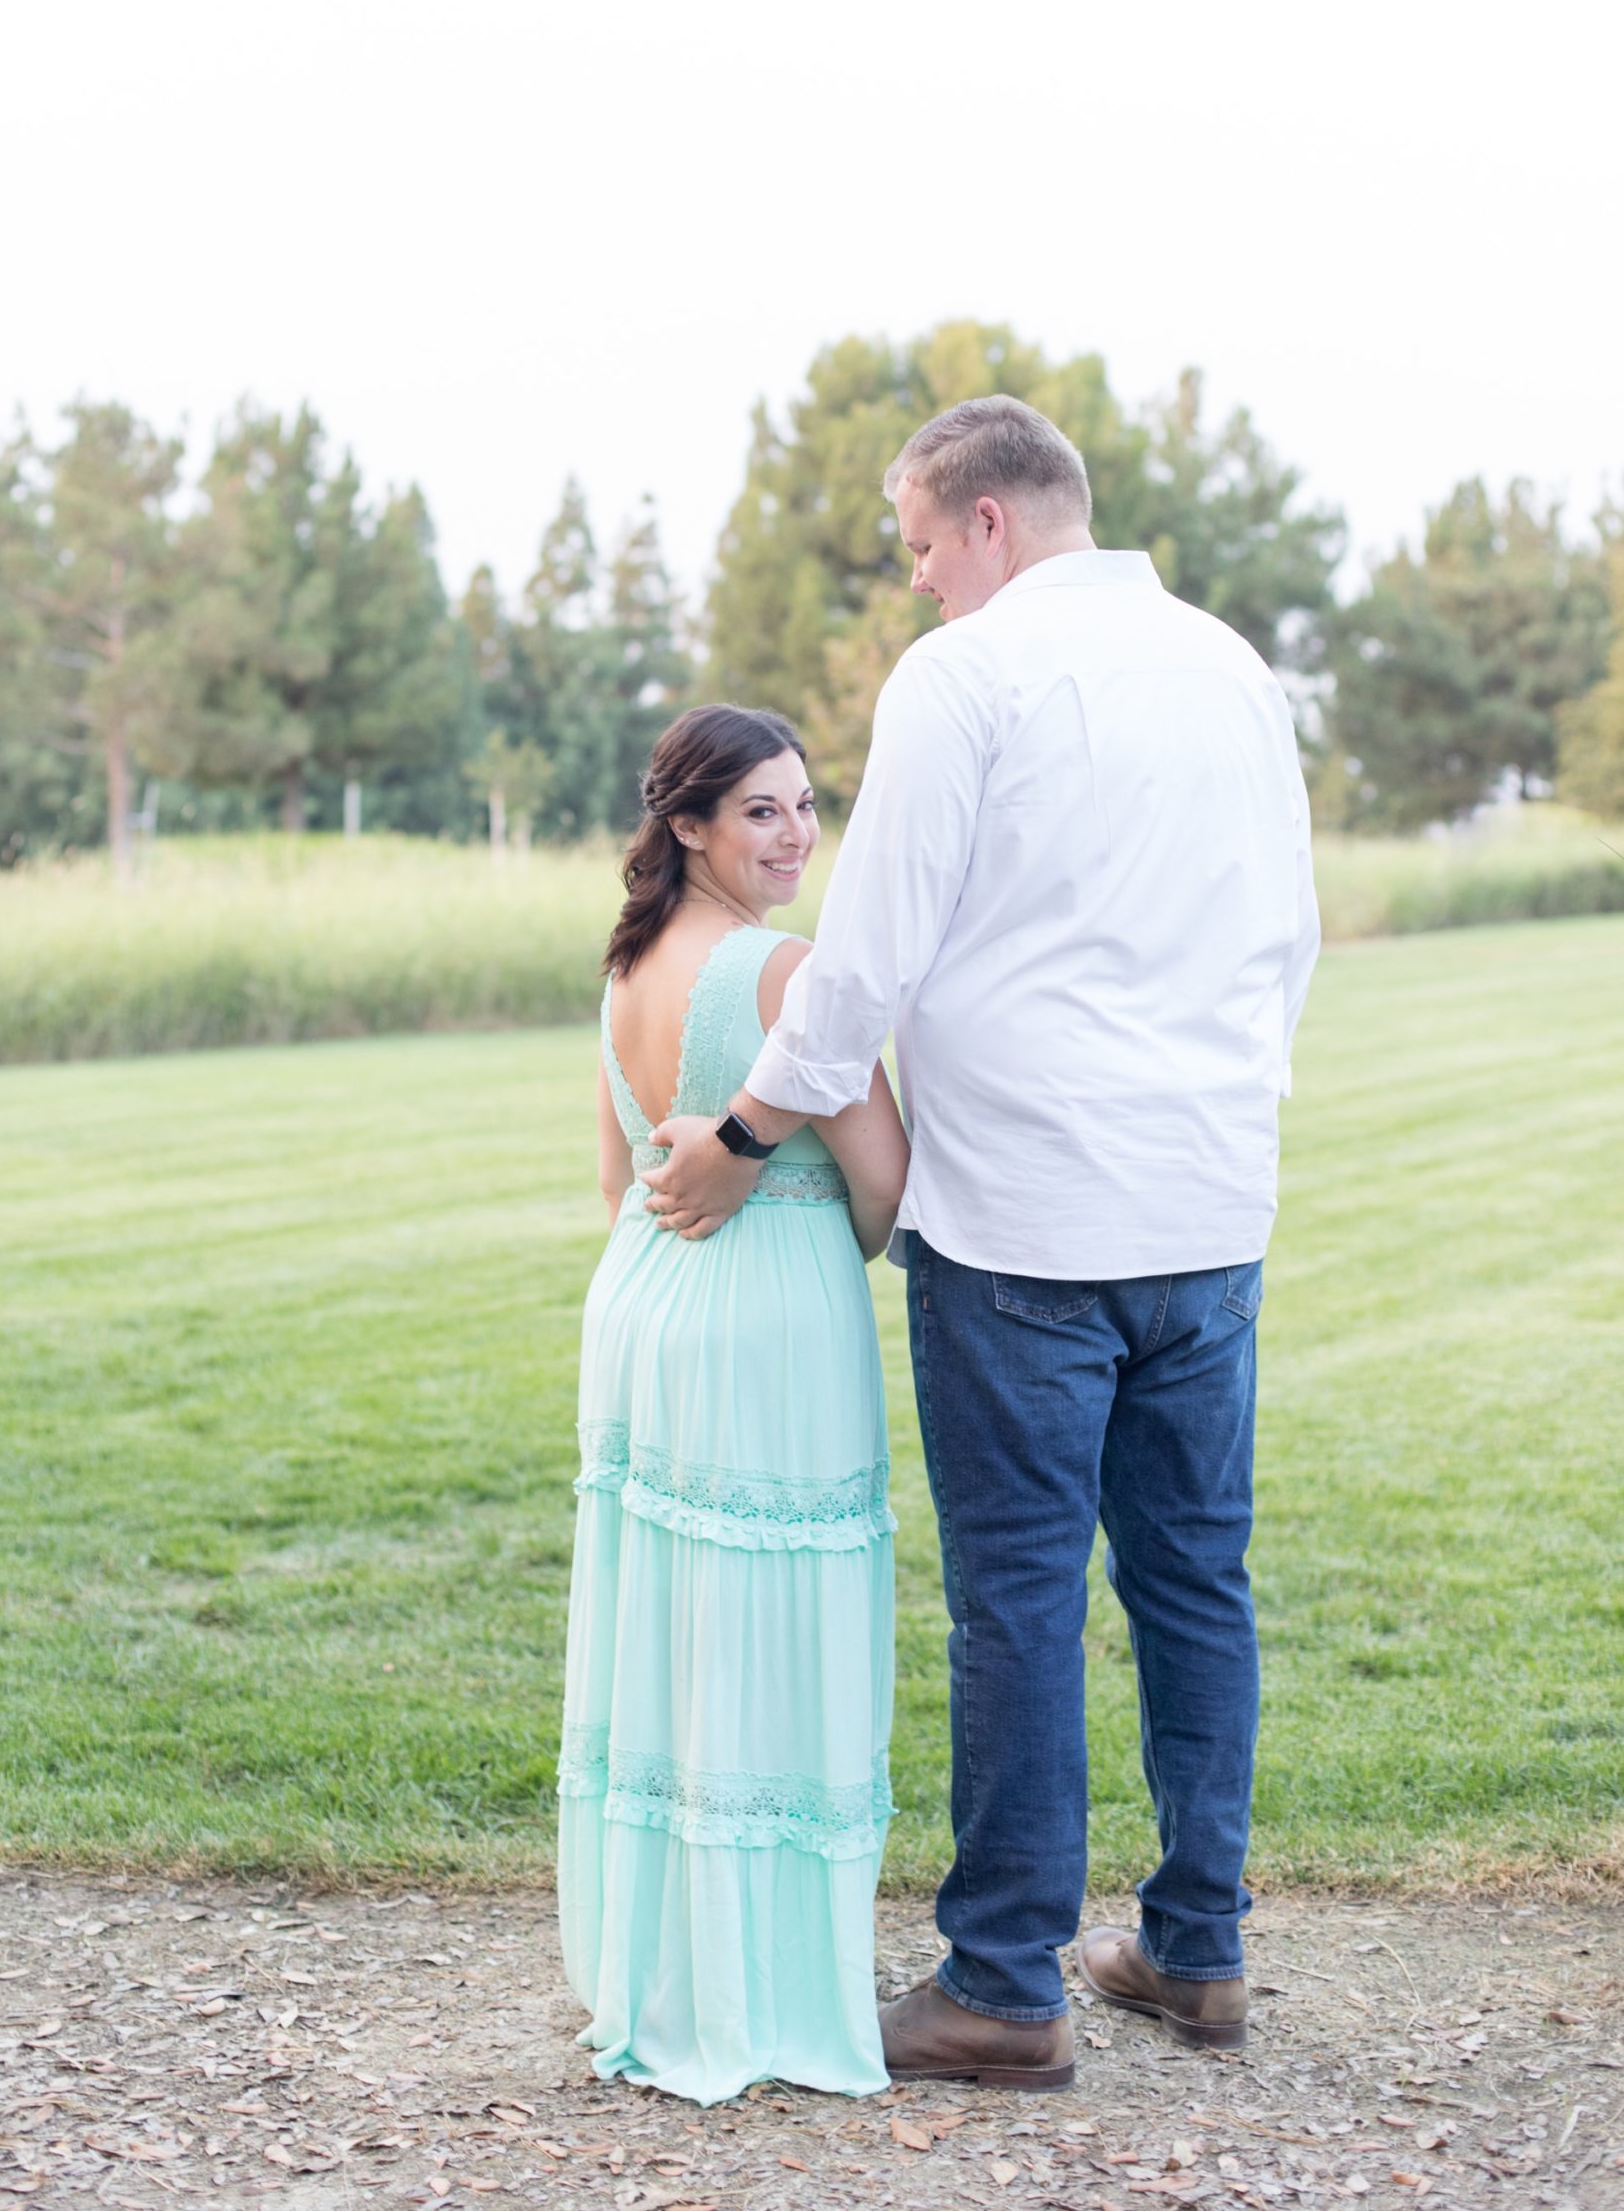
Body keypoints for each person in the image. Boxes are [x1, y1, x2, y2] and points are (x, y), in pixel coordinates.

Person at [647, 395, 1321, 2089]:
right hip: (1207, 1203)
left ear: (988, 524)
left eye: (921, 546)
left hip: (1024, 1215)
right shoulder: (1235, 666)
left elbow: (862, 962)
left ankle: (1004, 1986)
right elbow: (1288, 936)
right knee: (1194, 1581)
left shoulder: (970, 675)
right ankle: (1195, 1948)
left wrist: (741, 1137)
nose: (923, 581)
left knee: (1019, 1599)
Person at [558, 702, 910, 2105]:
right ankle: (758, 1991)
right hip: (766, 1316)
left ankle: (665, 1970)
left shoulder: (628, 963)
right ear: (690, 824)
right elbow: (881, 1186)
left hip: (645, 1300)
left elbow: (612, 1178)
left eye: (808, 805)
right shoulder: (784, 970)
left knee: (673, 1634)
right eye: (762, 808)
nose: (796, 833)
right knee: (768, 1639)